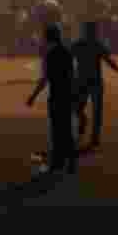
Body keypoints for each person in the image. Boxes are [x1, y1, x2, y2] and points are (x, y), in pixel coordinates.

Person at [26, 24, 77, 175]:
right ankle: (71, 163)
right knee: (67, 130)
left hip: (56, 96)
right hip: (67, 95)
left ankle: (57, 163)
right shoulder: (67, 53)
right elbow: (72, 76)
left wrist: (33, 96)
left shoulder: (50, 55)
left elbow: (45, 79)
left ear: (48, 38)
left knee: (56, 130)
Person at [71, 21, 118, 148]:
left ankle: (94, 137)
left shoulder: (91, 44)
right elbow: (108, 60)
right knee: (79, 108)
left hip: (90, 81)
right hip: (86, 81)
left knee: (94, 110)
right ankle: (86, 125)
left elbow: (108, 60)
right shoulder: (83, 44)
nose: (91, 33)